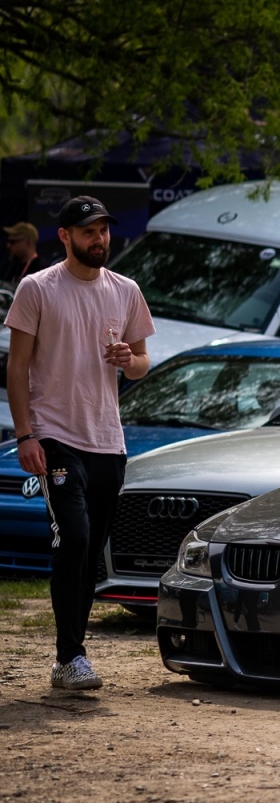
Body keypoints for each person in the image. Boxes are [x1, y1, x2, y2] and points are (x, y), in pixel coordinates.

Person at [4, 196, 155, 688]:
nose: (100, 239)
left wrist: (126, 359)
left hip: (107, 441)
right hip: (55, 436)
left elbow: (142, 363)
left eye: (105, 230)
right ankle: (71, 655)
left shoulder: (126, 290)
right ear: (65, 236)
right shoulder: (37, 288)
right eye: (89, 231)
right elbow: (17, 367)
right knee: (75, 537)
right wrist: (26, 435)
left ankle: (67, 660)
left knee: (90, 555)